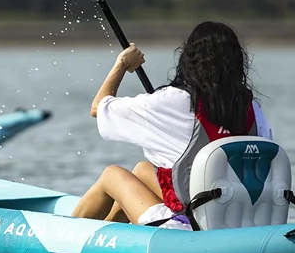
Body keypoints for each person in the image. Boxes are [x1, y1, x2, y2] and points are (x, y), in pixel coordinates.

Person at [71, 21, 272, 229]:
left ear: (189, 60)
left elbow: (98, 108)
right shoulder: (253, 109)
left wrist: (122, 63)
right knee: (142, 170)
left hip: (189, 227)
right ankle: (106, 234)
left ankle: (66, 233)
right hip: (239, 219)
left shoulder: (174, 100)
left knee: (112, 175)